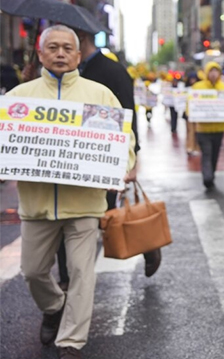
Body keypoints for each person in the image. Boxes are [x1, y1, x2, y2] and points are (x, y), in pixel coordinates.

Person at [5, 25, 136, 359]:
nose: (60, 53)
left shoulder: (100, 95)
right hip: (37, 205)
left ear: (78, 55)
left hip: (85, 203)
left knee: (82, 273)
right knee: (32, 272)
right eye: (53, 47)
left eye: (67, 48)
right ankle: (53, 307)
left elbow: (124, 141)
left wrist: (121, 167)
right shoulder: (19, 98)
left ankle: (71, 342)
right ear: (40, 53)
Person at [75, 28, 160, 278]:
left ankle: (147, 245)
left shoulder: (112, 71)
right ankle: (68, 281)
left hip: (103, 157)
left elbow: (127, 114)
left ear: (80, 38)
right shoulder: (65, 74)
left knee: (107, 214)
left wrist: (132, 159)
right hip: (70, 160)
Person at [190, 61, 224, 189]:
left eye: (216, 71)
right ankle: (207, 177)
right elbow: (190, 104)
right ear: (207, 73)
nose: (213, 74)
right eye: (211, 71)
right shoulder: (197, 87)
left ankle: (211, 174)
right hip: (202, 129)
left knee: (215, 154)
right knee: (207, 153)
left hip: (219, 129)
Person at [184, 71, 201, 155]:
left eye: (194, 79)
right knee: (190, 131)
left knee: (197, 131)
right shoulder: (186, 89)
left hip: (197, 113)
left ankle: (197, 148)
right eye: (191, 79)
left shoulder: (199, 88)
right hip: (188, 113)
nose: (192, 81)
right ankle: (190, 147)